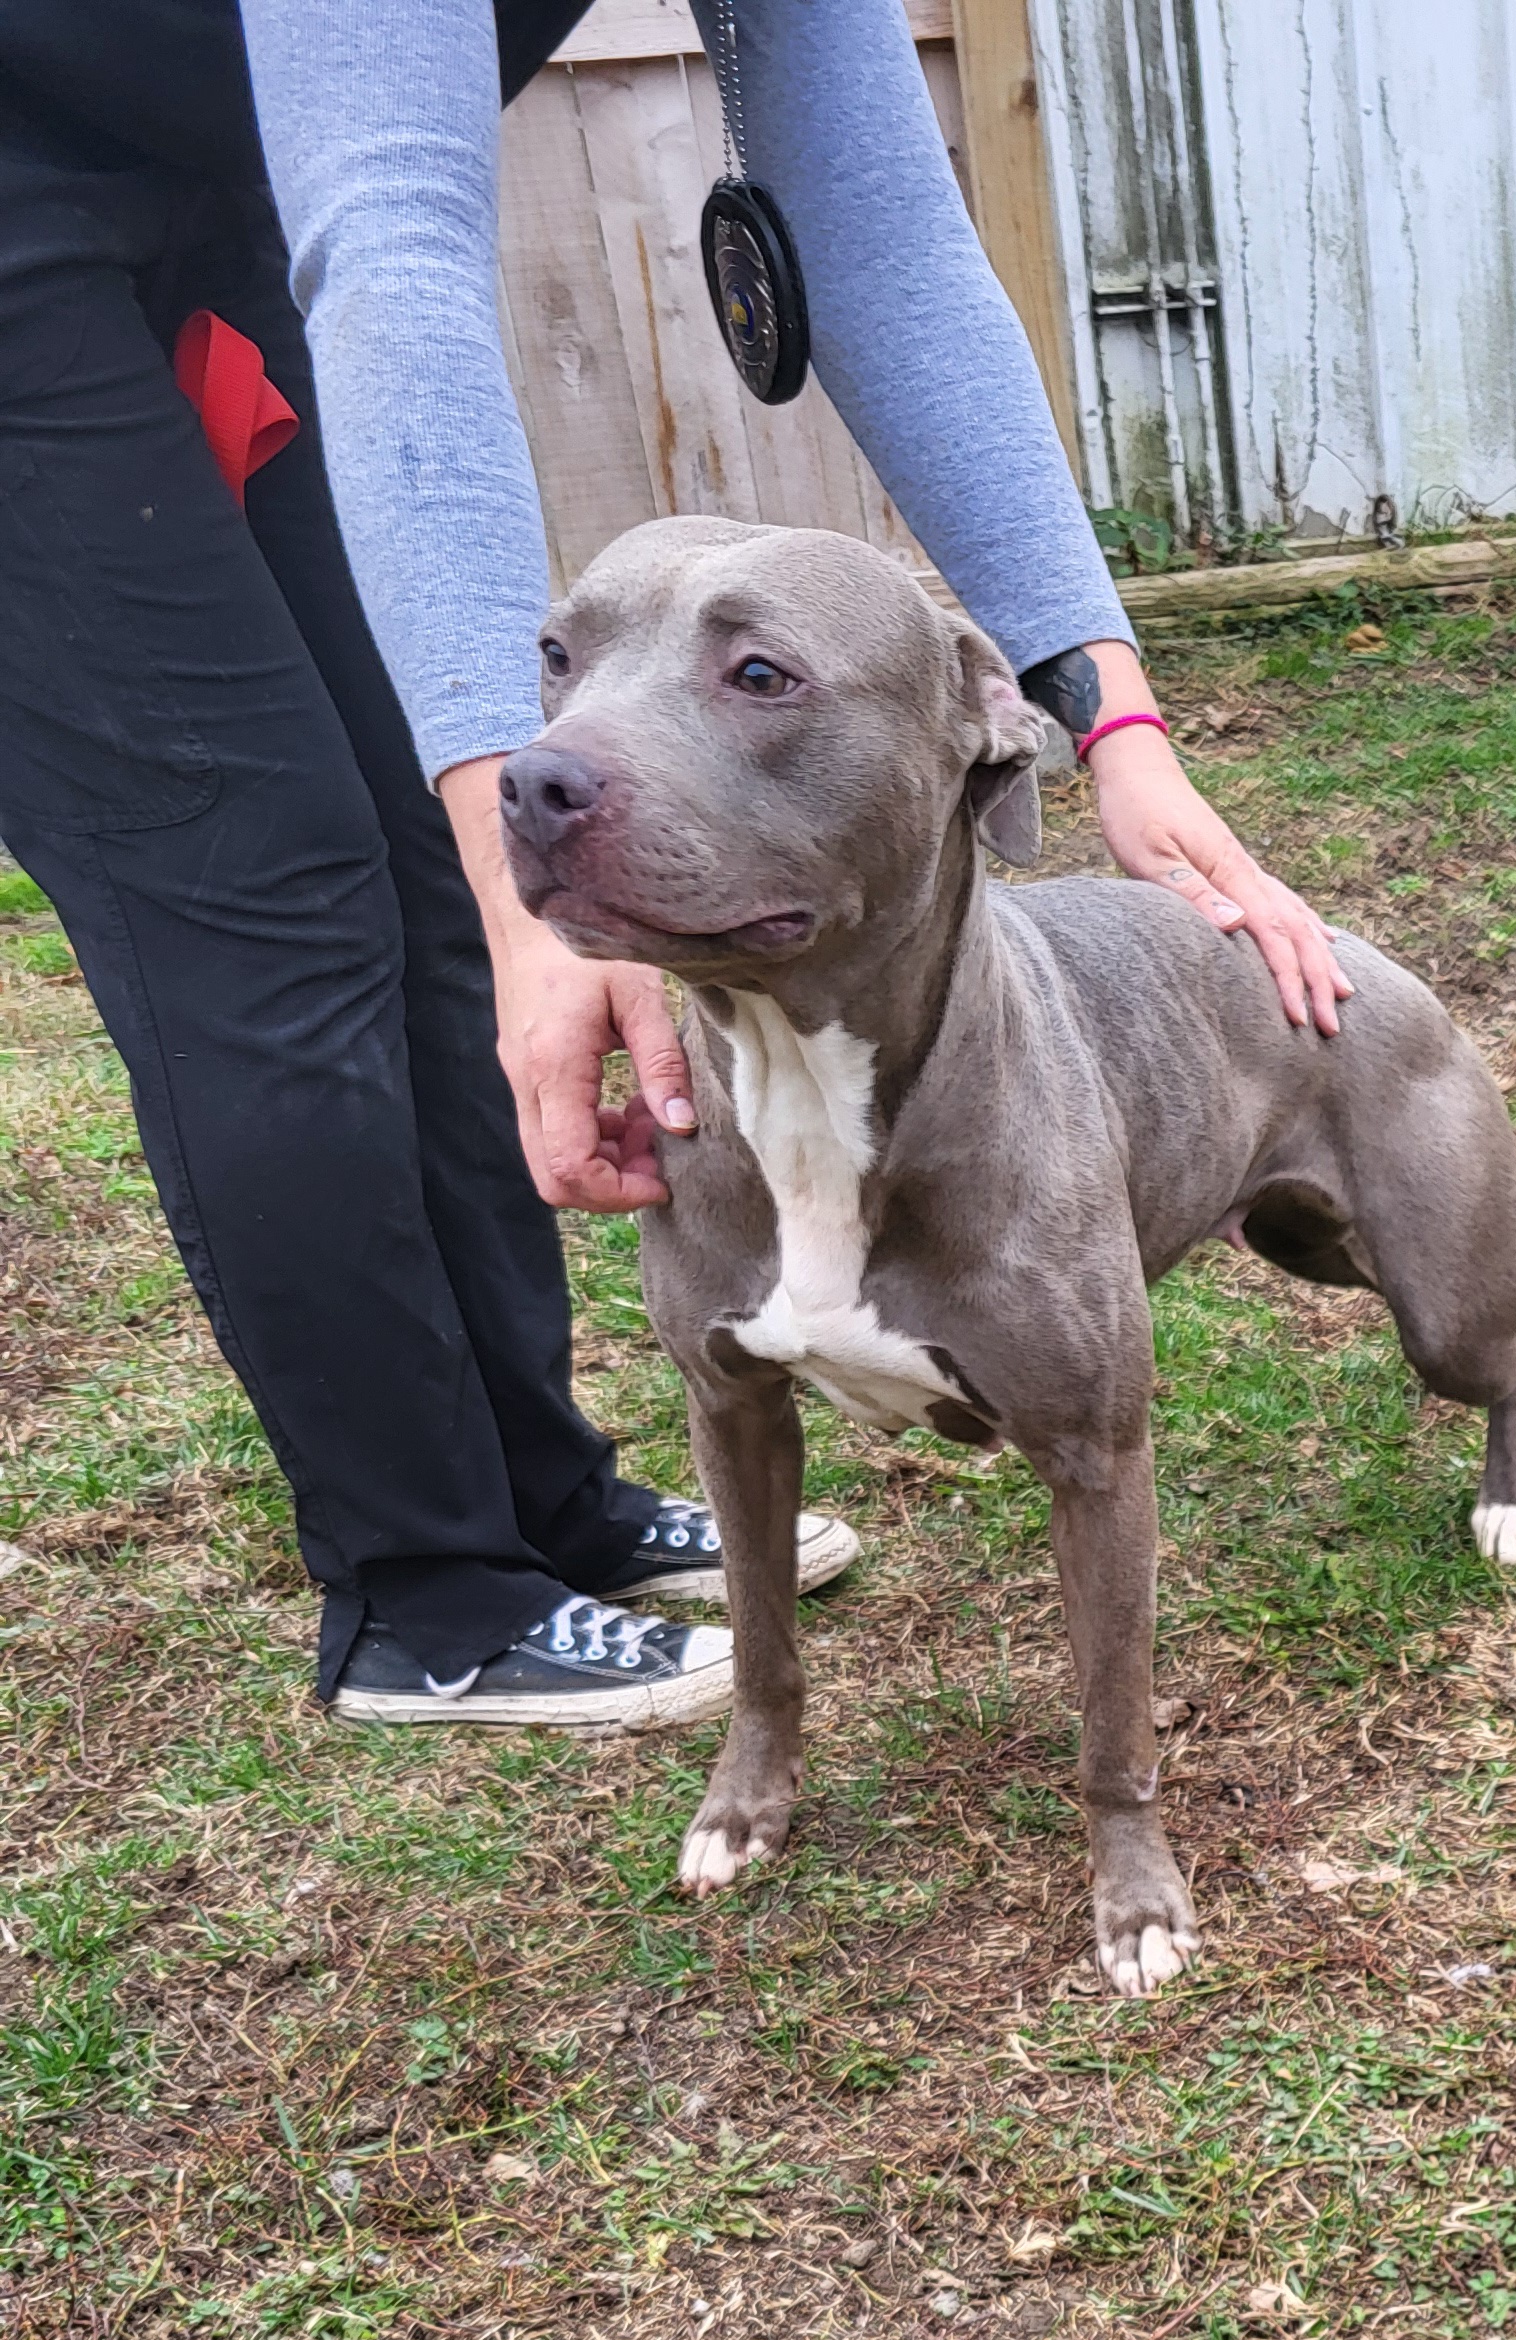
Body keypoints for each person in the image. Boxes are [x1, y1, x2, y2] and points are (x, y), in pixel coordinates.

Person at [0, 0, 1349, 1730]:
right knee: (261, 891)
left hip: (209, 191)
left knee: (431, 843)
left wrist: (1111, 715)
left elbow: (883, 233)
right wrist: (537, 896)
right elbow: (394, 248)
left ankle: (544, 1499)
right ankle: (426, 1593)